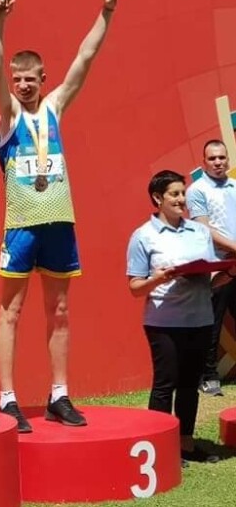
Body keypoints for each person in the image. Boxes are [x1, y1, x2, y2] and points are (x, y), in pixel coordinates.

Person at [0, 0, 120, 432]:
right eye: (17, 78)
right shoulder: (8, 116)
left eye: (31, 78)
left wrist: (105, 12)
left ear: (43, 80)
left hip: (59, 222)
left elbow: (85, 59)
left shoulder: (55, 109)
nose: (23, 84)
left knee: (60, 311)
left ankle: (59, 395)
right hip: (21, 226)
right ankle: (7, 398)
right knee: (11, 311)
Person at [126, 170, 219, 465]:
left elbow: (211, 275)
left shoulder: (200, 232)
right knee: (165, 384)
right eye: (175, 195)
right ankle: (158, 448)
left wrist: (222, 273)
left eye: (183, 194)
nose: (182, 200)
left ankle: (187, 445)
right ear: (157, 198)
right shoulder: (143, 236)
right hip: (164, 322)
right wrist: (160, 278)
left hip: (201, 318)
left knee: (191, 384)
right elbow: (135, 288)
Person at [185, 139, 236, 396]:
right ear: (204, 162)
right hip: (217, 265)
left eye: (222, 158)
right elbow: (203, 228)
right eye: (212, 158)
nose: (218, 162)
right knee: (213, 321)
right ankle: (209, 376)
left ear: (228, 159)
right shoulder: (197, 190)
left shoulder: (235, 186)